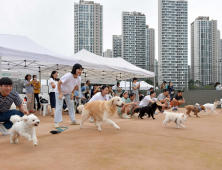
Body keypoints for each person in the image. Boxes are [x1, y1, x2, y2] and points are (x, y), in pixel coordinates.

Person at [54, 64, 82, 128]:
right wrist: (60, 94)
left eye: (81, 70)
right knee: (59, 106)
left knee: (71, 105)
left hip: (68, 93)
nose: (80, 71)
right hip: (59, 91)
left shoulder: (79, 78)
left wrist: (72, 94)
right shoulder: (68, 76)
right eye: (79, 69)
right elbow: (59, 83)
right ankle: (56, 122)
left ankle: (73, 120)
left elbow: (75, 86)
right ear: (75, 69)